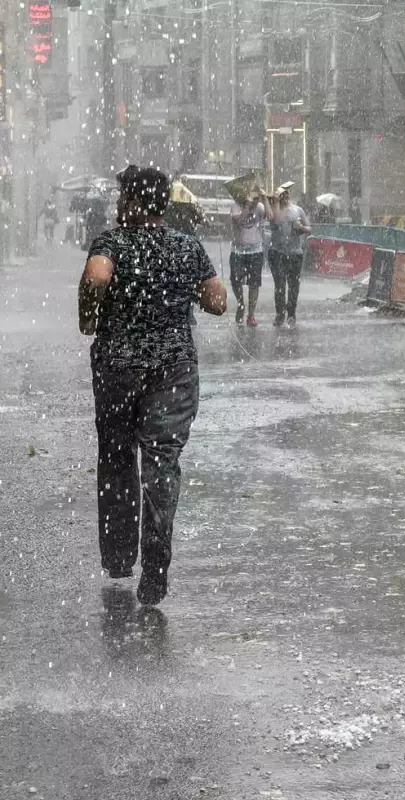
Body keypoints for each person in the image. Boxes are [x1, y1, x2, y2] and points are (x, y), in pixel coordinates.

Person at [77, 166, 227, 606]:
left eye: (123, 198)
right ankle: (156, 558)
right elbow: (218, 301)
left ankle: (121, 554)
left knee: (118, 456)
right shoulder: (186, 246)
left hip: (118, 370)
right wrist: (184, 288)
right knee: (162, 464)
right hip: (174, 371)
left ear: (132, 202)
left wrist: (89, 313)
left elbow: (98, 276)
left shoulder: (111, 241)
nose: (118, 206)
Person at [266, 184, 311, 327]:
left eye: (287, 194)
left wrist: (302, 228)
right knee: (279, 285)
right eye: (282, 195)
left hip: (294, 253)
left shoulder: (298, 210)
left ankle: (291, 313)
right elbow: (276, 220)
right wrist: (275, 202)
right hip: (278, 253)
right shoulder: (274, 210)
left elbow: (309, 228)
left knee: (293, 285)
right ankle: (280, 314)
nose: (285, 197)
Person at [229, 190, 267, 326]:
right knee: (235, 280)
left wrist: (265, 200)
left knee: (254, 283)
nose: (255, 201)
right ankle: (240, 304)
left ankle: (251, 315)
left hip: (256, 251)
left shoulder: (260, 207)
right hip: (238, 250)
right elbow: (239, 221)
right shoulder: (236, 206)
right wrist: (246, 206)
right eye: (253, 198)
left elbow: (272, 216)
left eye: (257, 199)